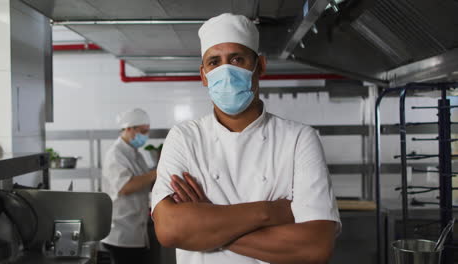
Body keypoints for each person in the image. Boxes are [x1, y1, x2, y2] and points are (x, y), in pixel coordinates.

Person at [151, 13, 341, 264]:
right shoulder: (185, 137)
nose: (225, 71)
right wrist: (269, 212)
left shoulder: (298, 138)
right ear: (203, 75)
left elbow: (315, 248)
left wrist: (205, 223)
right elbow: (170, 229)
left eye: (237, 59)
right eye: (214, 62)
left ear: (259, 65)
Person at [101, 108, 157, 264]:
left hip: (135, 231)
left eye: (147, 131)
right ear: (129, 129)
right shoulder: (115, 154)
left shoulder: (136, 154)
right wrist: (157, 172)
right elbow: (125, 187)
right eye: (143, 131)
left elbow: (143, 183)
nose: (145, 135)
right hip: (120, 234)